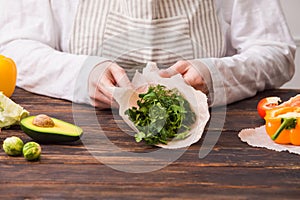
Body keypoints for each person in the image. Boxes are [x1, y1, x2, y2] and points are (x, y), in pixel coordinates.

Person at [0, 0, 296, 109]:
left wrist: (217, 77)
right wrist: (77, 76)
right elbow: (13, 48)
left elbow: (276, 52)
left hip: (214, 143)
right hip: (80, 144)